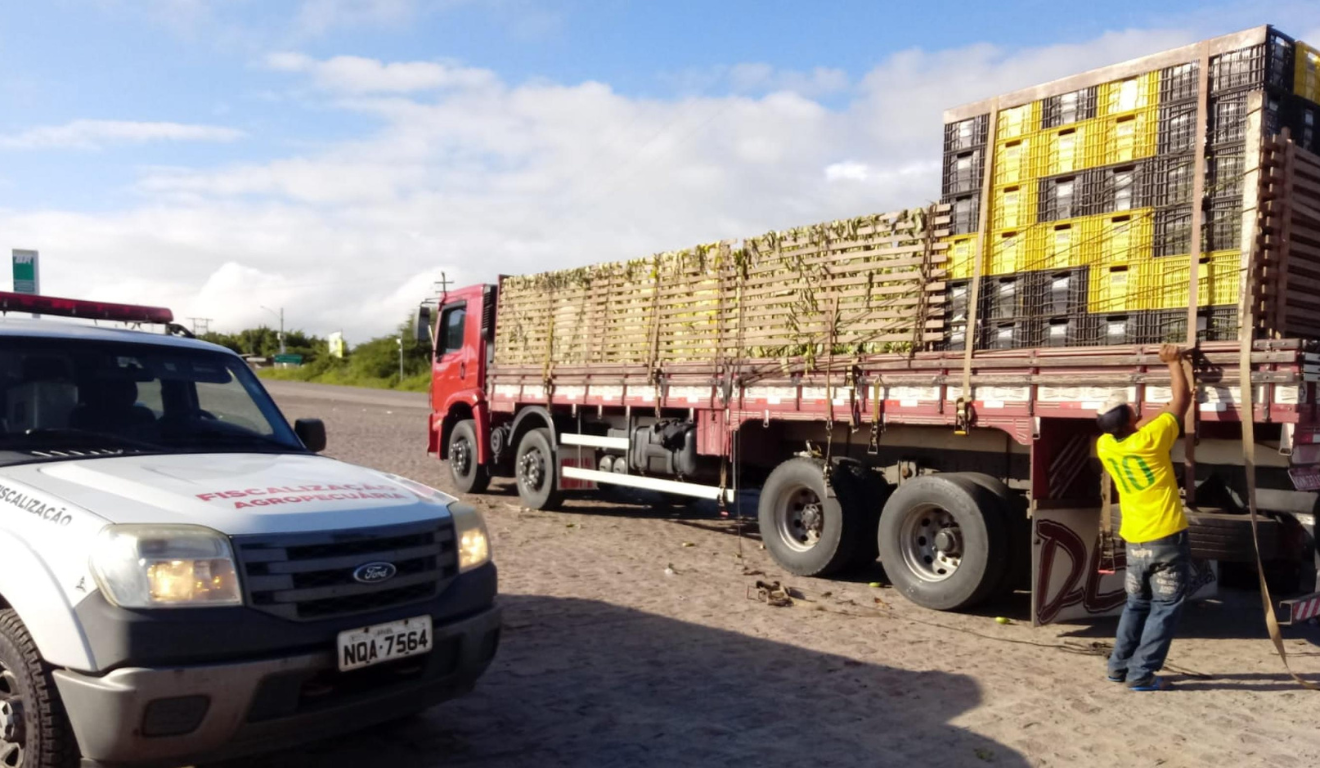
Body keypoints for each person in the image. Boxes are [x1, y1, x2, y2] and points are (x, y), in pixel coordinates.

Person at [1095, 343, 1191, 692]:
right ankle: (1141, 674)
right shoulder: (1152, 438)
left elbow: (1145, 423)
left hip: (1135, 538)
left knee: (1136, 604)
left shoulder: (1106, 446)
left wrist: (1156, 412)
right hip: (1166, 537)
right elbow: (1182, 401)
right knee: (1165, 608)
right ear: (1129, 419)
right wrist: (1174, 362)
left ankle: (1118, 667)